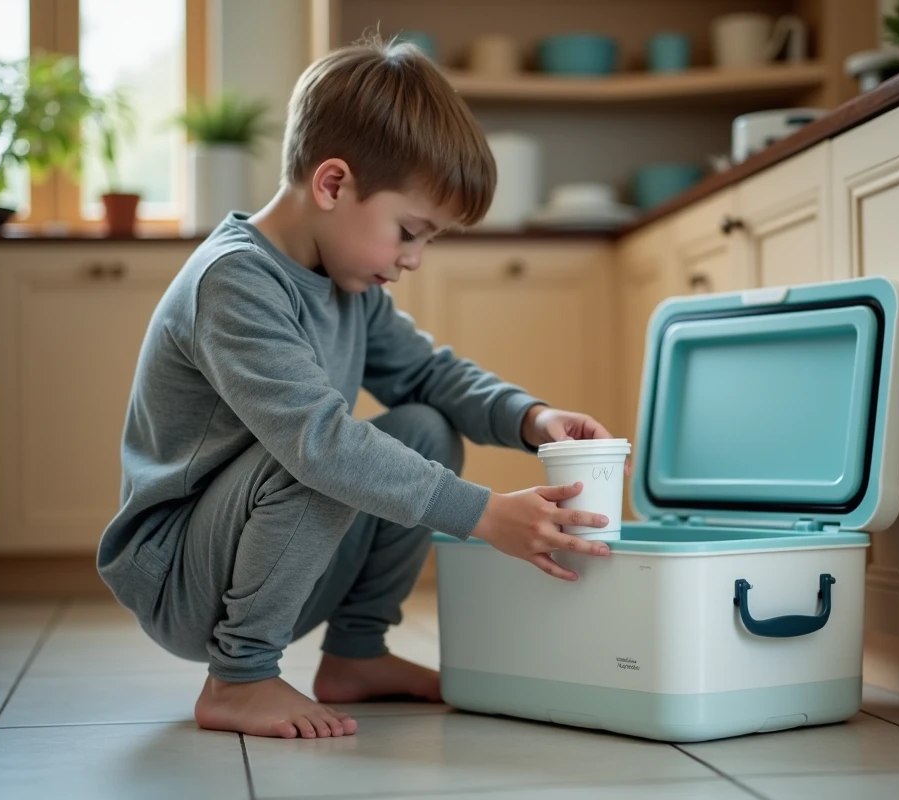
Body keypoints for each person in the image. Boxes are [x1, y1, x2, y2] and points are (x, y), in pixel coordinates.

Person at [96, 37, 620, 740]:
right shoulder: (235, 281)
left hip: (262, 551)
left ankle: (355, 654)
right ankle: (238, 678)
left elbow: (431, 374)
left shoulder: (349, 285)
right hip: (179, 576)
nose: (413, 259)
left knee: (426, 428)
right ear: (333, 184)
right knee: (325, 452)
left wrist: (529, 417)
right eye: (409, 231)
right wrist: (483, 514)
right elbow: (316, 444)